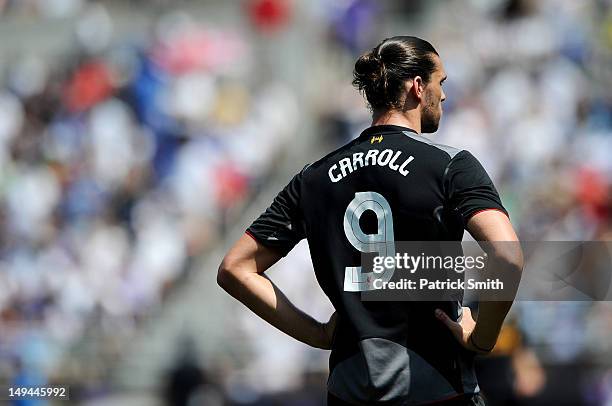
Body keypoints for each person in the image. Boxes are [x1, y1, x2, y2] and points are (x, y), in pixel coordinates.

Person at [217, 36, 524, 405]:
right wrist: (483, 337)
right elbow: (506, 255)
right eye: (441, 83)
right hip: (436, 385)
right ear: (417, 86)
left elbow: (235, 268)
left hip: (350, 387)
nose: (443, 96)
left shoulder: (314, 177)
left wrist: (316, 334)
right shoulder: (449, 165)